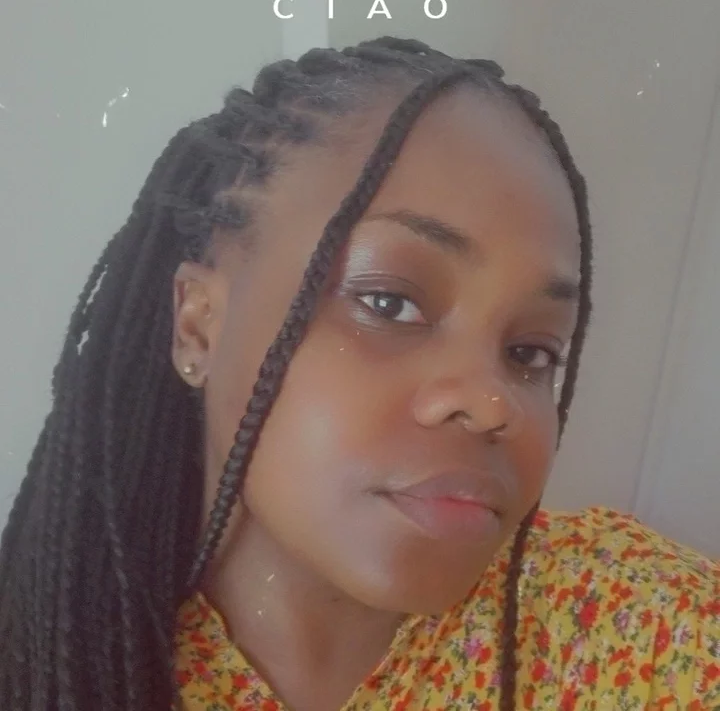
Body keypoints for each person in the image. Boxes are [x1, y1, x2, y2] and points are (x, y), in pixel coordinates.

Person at [0, 36, 717, 711]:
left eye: (531, 352)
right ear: (198, 325)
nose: (491, 401)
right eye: (389, 303)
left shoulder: (643, 628)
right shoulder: (58, 650)